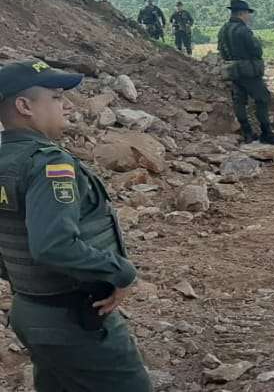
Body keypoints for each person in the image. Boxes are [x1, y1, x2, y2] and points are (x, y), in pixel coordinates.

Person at [0, 60, 152, 391]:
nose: (68, 105)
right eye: (56, 97)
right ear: (24, 106)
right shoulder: (47, 164)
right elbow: (54, 244)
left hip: (31, 310)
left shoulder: (5, 161)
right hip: (71, 318)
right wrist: (120, 271)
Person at [216, 0, 274, 145]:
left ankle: (247, 133)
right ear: (242, 13)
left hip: (233, 71)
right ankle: (266, 133)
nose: (249, 16)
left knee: (239, 101)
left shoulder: (223, 29)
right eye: (248, 13)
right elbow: (256, 51)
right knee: (262, 98)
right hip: (248, 72)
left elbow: (221, 51)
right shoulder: (243, 30)